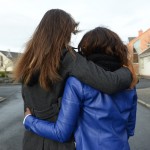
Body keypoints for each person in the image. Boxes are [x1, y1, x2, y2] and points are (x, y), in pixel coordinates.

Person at [14, 9, 135, 150]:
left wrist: (29, 120)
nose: (70, 37)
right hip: (58, 143)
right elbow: (110, 83)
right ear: (63, 32)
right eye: (70, 32)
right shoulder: (68, 57)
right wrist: (128, 72)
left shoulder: (27, 62)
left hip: (31, 141)